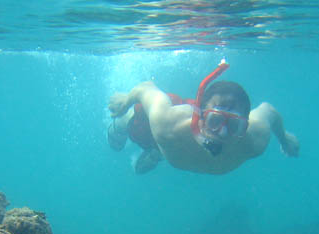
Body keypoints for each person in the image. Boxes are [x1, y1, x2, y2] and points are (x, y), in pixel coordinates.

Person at [107, 60, 299, 175]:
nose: (222, 133)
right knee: (131, 125)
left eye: (234, 125)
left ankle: (157, 152)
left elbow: (269, 111)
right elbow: (145, 88)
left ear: (245, 126)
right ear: (199, 117)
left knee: (154, 154)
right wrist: (126, 103)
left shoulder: (254, 140)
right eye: (216, 121)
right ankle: (122, 124)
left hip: (180, 134)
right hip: (174, 117)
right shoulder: (166, 122)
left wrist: (284, 139)